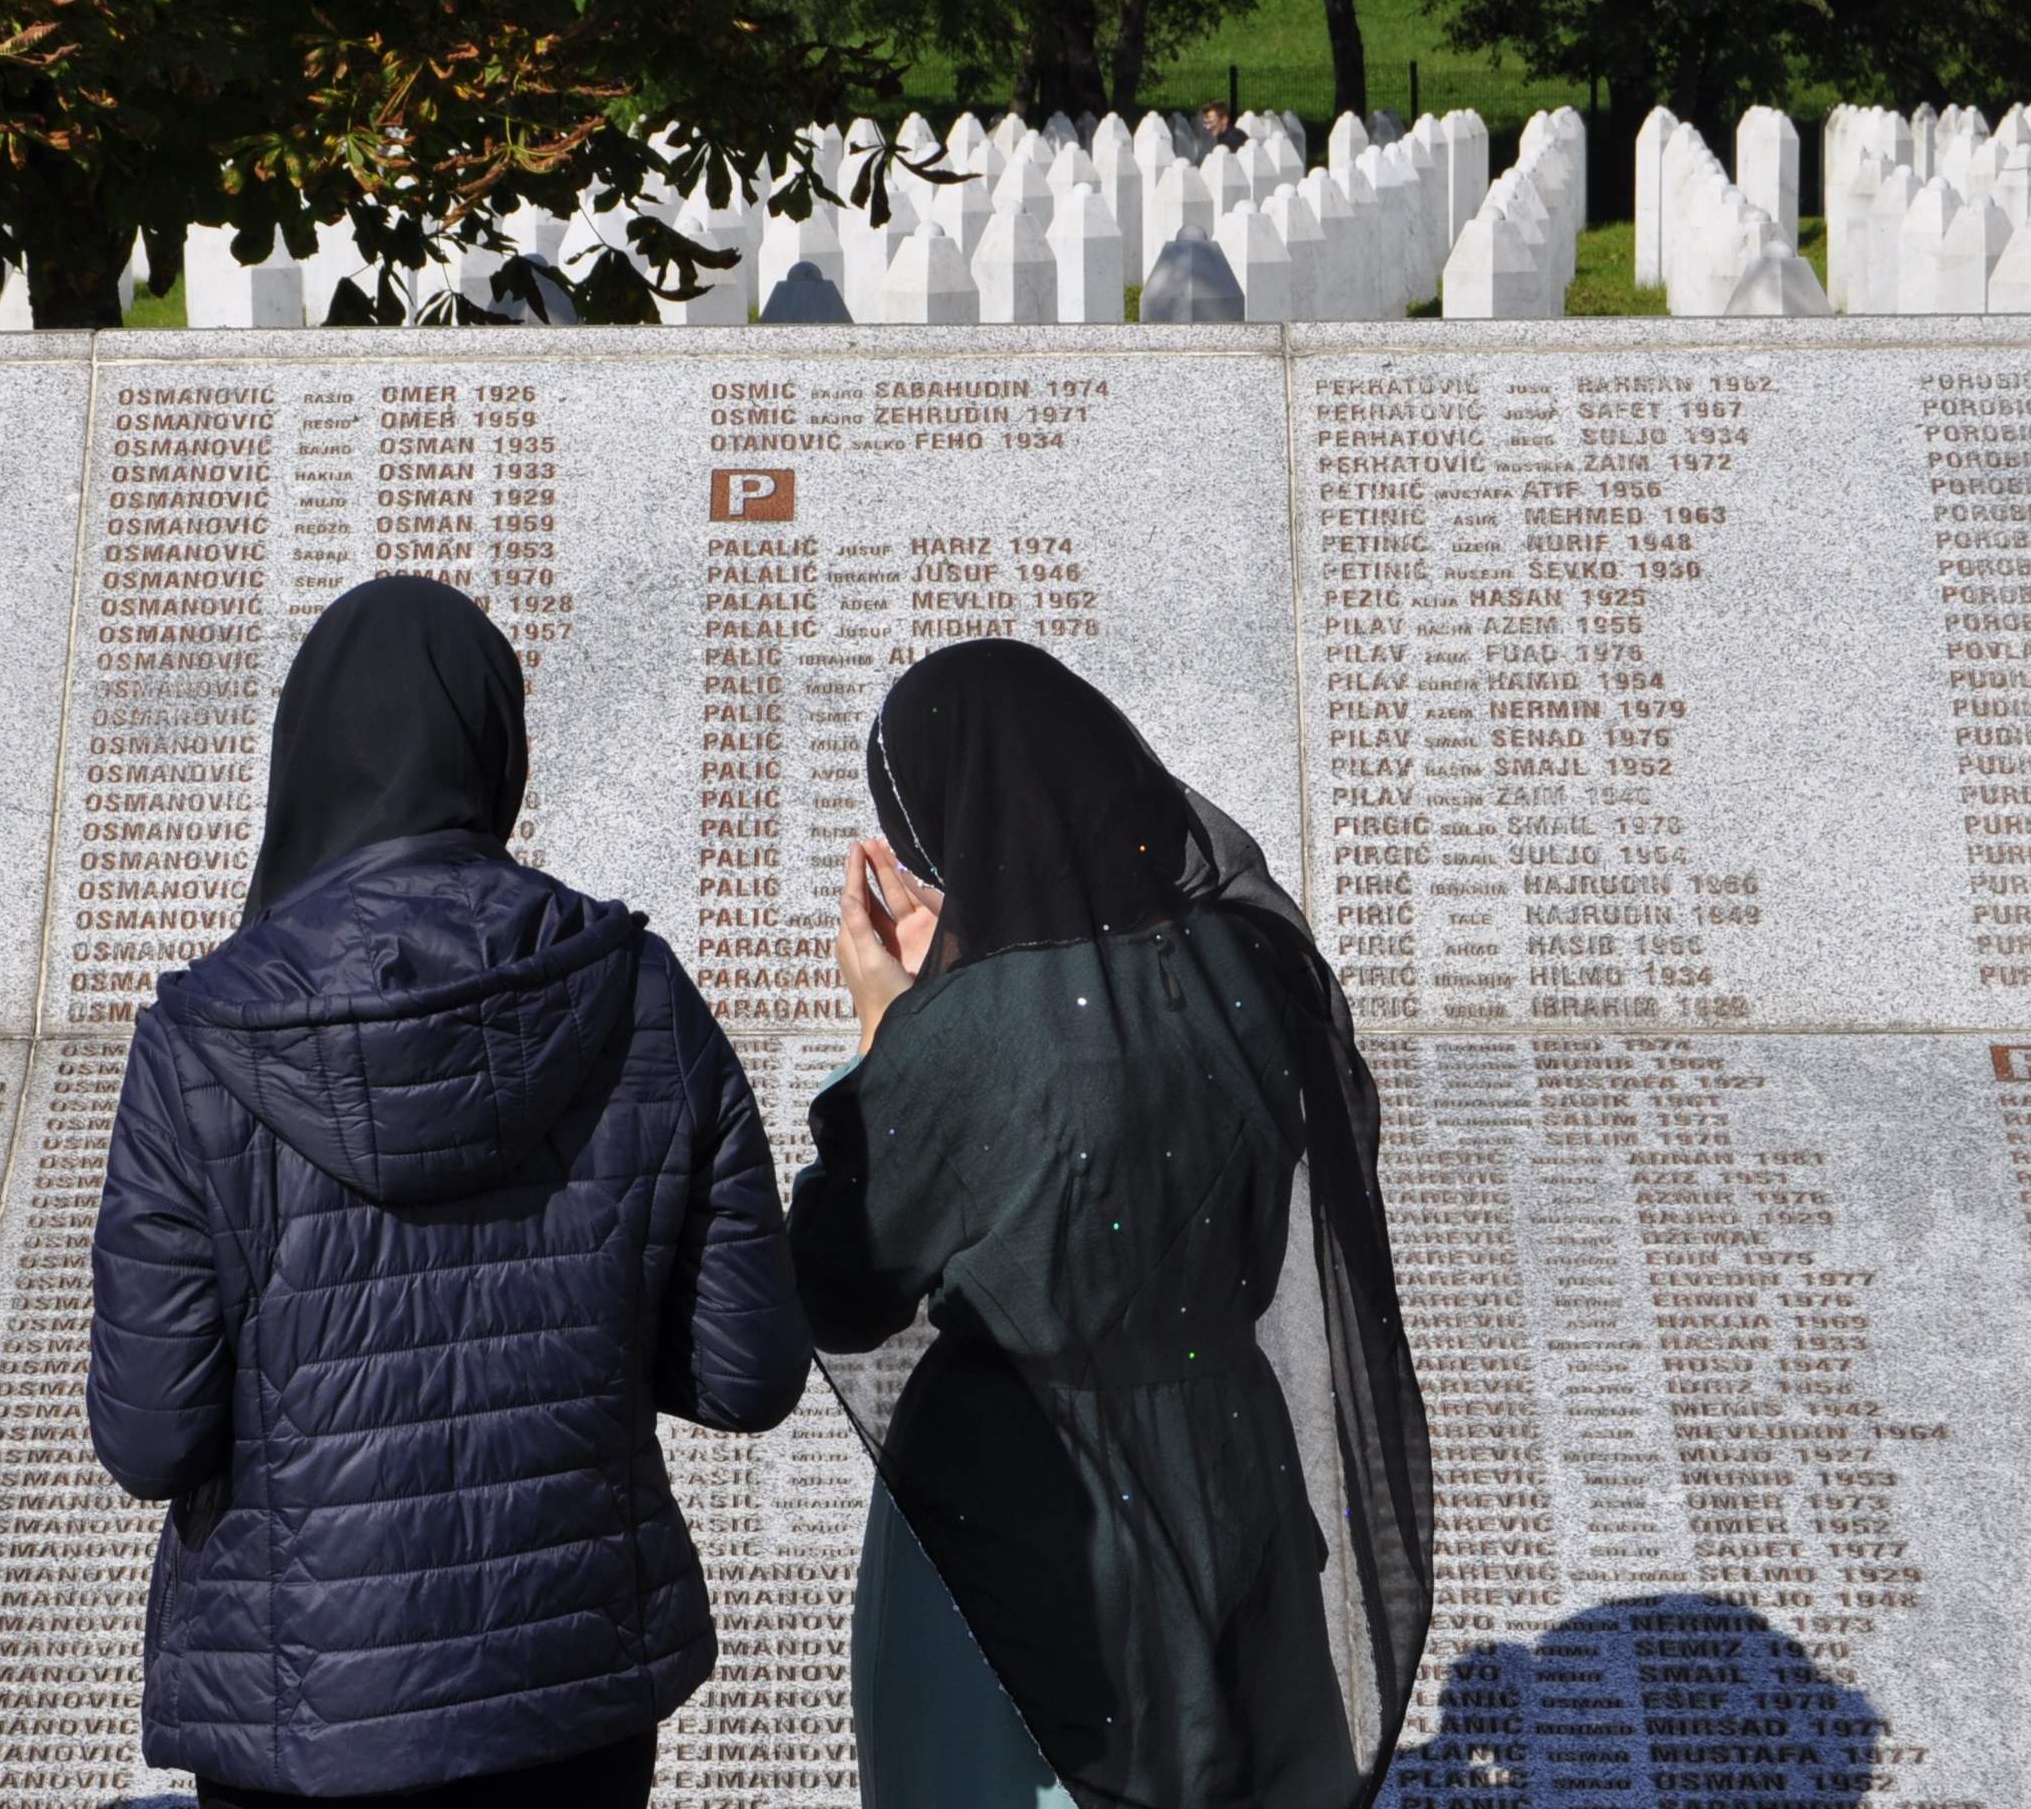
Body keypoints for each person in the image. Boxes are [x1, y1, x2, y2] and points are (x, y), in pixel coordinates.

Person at [88, 576, 812, 1808]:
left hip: (301, 1722)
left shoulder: (197, 1040)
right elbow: (749, 1372)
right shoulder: (639, 993)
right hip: (577, 1689)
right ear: (496, 747)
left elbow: (151, 1436)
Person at [787, 639, 1432, 1809]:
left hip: (1029, 1503)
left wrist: (891, 1037)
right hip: (1235, 1465)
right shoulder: (1253, 963)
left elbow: (837, 1283)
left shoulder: (966, 1046)